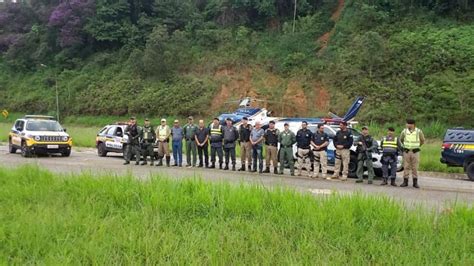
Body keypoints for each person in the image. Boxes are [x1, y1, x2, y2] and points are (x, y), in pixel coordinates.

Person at [400, 119, 425, 188]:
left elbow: (422, 140)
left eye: (408, 124)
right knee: (406, 166)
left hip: (415, 152)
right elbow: (401, 139)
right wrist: (406, 146)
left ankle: (415, 182)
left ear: (413, 124)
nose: (407, 125)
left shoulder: (418, 131)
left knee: (415, 167)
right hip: (407, 151)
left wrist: (416, 146)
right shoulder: (404, 131)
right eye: (407, 123)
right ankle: (405, 181)